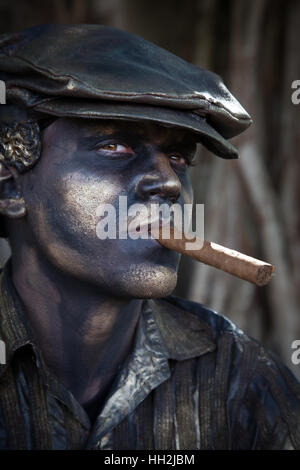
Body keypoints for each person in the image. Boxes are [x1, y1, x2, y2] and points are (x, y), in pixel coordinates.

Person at [0, 23, 299, 451]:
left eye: (178, 156)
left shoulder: (241, 375)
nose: (168, 182)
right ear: (9, 187)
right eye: (114, 147)